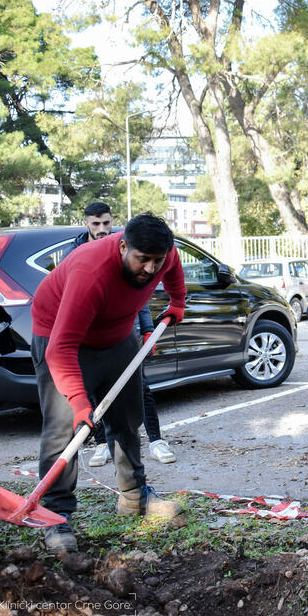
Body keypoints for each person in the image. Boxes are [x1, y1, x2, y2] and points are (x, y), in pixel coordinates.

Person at [32, 212, 187, 554]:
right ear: (122, 246)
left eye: (155, 261)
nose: (149, 269)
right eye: (141, 259)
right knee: (64, 430)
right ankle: (56, 514)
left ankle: (134, 496)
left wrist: (177, 302)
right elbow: (61, 347)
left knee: (127, 418)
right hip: (61, 338)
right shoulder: (90, 272)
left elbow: (173, 269)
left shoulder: (165, 255)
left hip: (117, 337)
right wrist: (78, 401)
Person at [73, 203, 177, 466]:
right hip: (90, 335)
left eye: (106, 223)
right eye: (96, 224)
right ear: (86, 223)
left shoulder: (130, 247)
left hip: (124, 330)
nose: (102, 229)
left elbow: (138, 296)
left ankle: (155, 440)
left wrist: (148, 329)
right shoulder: (79, 253)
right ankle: (101, 445)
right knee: (94, 391)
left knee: (138, 387)